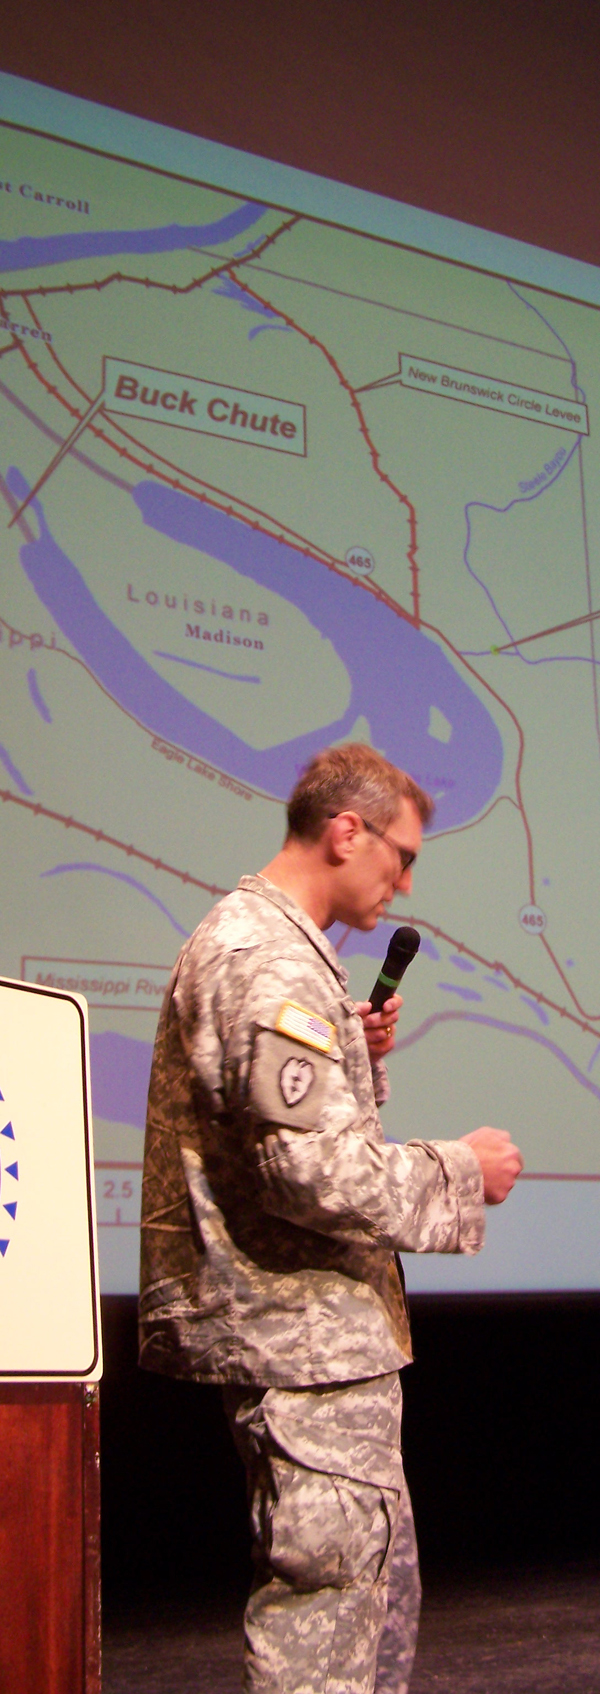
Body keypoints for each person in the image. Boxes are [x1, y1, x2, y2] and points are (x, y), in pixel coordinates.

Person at [139, 743, 523, 1694]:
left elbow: (284, 1129)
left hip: (314, 1343)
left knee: (363, 1601)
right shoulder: (267, 957)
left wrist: (352, 1049)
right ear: (347, 832)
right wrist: (460, 1171)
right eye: (403, 856)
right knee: (326, 1619)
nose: (405, 880)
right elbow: (306, 1173)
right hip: (299, 1343)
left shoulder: (275, 948)